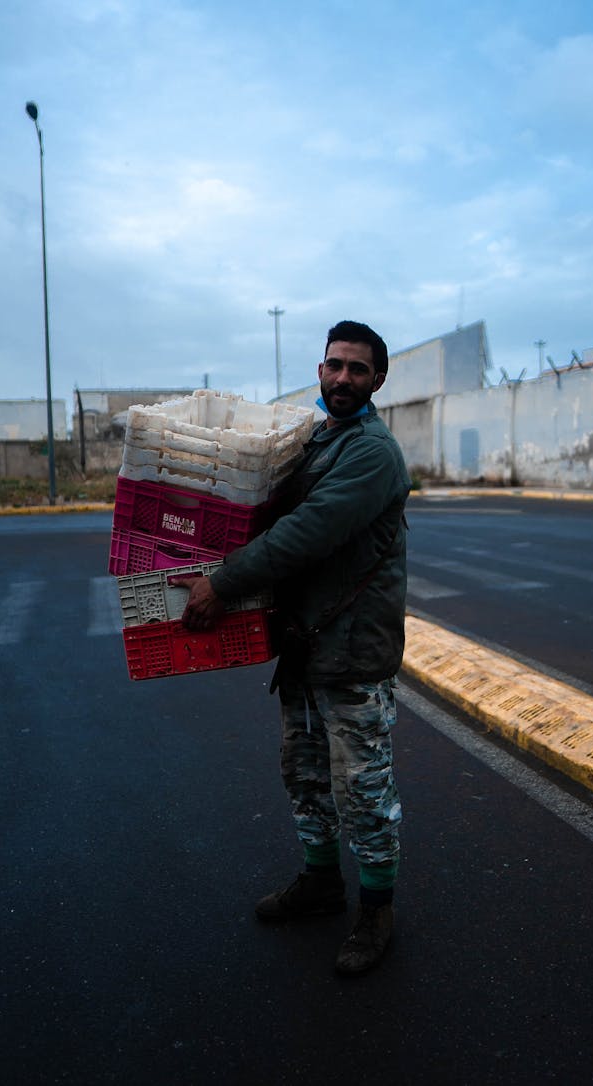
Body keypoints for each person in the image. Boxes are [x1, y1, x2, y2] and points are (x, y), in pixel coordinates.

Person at [174, 320, 410, 975]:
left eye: (357, 370)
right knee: (305, 775)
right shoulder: (316, 439)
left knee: (364, 789)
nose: (342, 378)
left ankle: (377, 910)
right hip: (305, 643)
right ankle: (319, 883)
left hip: (354, 650)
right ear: (320, 368)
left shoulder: (371, 454)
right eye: (334, 365)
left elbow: (307, 531)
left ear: (377, 380)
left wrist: (221, 582)